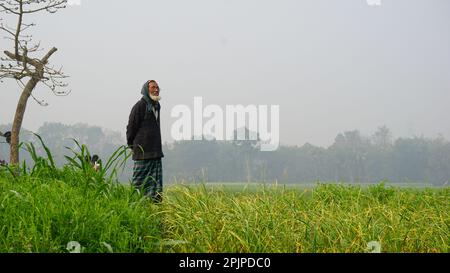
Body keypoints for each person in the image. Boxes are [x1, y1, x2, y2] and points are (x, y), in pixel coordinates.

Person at [126, 80, 164, 202]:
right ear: (146, 90)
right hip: (142, 152)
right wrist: (132, 146)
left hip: (155, 152)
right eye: (153, 87)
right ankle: (135, 207)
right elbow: (131, 128)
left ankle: (154, 209)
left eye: (157, 87)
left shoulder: (157, 106)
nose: (156, 89)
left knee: (155, 186)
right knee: (139, 184)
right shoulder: (140, 106)